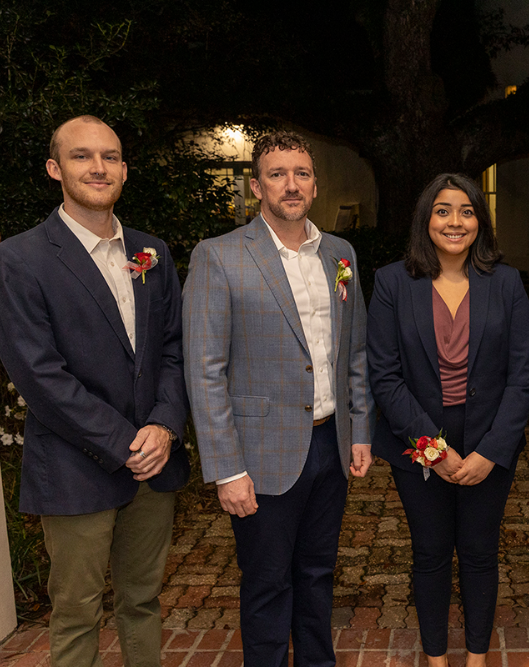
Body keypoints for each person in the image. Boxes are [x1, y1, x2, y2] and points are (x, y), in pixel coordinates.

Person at [0, 115, 190, 667]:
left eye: (109, 156)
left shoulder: (152, 253)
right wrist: (129, 441)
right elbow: (39, 375)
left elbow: (174, 350)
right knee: (76, 611)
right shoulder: (18, 261)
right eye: (81, 156)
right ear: (55, 169)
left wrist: (166, 426)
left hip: (154, 462)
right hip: (77, 464)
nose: (98, 167)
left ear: (124, 170)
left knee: (143, 600)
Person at [183, 130, 374, 667]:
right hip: (260, 456)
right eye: (277, 174)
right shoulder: (219, 257)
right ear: (256, 185)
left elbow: (352, 351)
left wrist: (360, 430)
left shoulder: (340, 254)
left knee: (317, 574)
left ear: (315, 185)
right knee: (267, 584)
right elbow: (204, 371)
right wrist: (226, 468)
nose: (291, 185)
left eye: (302, 174)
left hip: (328, 446)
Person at [367, 174, 529, 667]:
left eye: (466, 211)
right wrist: (433, 450)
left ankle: (478, 658)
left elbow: (523, 374)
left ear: (479, 220)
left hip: (489, 440)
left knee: (481, 553)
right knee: (431, 553)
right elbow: (384, 375)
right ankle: (437, 659)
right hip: (417, 438)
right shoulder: (393, 282)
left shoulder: (505, 282)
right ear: (426, 219)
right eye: (443, 210)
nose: (455, 221)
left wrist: (490, 451)